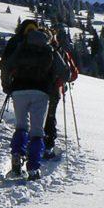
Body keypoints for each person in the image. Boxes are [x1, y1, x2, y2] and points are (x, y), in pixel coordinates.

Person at [0, 25, 69, 180]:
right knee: (37, 132)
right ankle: (33, 169)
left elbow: (6, 66)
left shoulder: (22, 46)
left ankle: (17, 155)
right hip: (41, 93)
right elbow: (65, 72)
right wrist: (55, 82)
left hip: (18, 91)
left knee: (21, 126)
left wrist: (7, 86)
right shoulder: (50, 50)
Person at [43, 30, 80, 159]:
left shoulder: (37, 48)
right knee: (50, 117)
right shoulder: (62, 52)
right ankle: (48, 146)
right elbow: (73, 73)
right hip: (55, 90)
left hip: (38, 88)